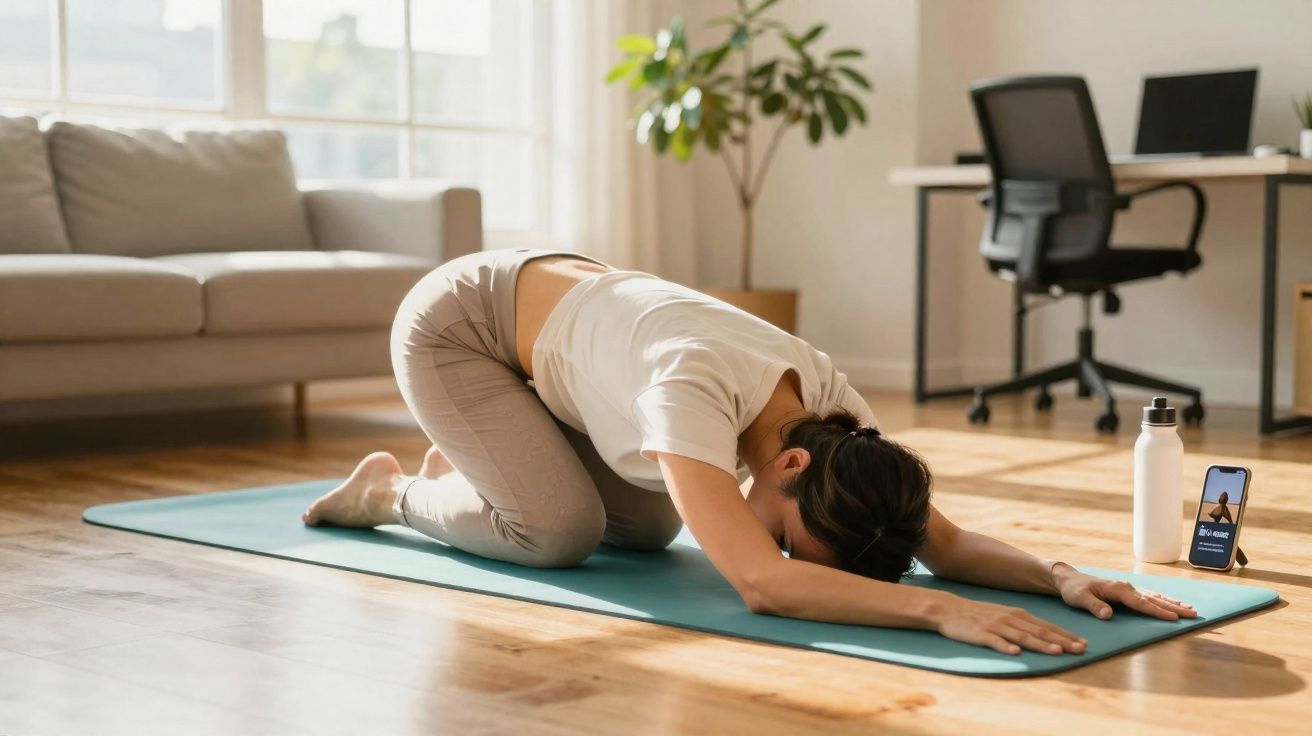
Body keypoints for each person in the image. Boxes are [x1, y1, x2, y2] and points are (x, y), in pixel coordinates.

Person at [303, 248, 1195, 656]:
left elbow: (946, 545)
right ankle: (393, 495)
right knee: (559, 531)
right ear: (792, 467)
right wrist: (937, 616)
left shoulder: (835, 414)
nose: (766, 540)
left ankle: (483, 465)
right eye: (784, 530)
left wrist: (1065, 577)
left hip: (567, 352)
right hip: (460, 327)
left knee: (649, 530)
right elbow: (762, 586)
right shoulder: (694, 391)